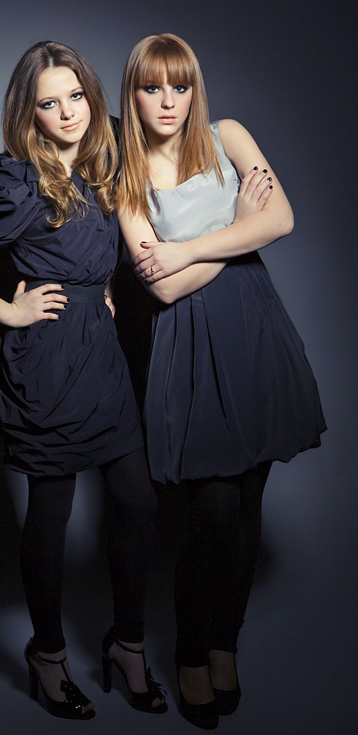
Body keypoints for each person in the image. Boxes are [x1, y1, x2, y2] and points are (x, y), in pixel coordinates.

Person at [0, 40, 167, 720]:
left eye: (76, 96)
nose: (68, 113)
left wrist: (102, 287)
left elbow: (100, 247)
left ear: (90, 96)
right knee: (52, 514)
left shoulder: (103, 167)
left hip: (101, 356)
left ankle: (127, 643)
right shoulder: (16, 183)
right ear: (28, 113)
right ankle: (48, 654)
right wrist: (10, 311)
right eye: (49, 103)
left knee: (137, 499)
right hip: (46, 363)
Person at [117, 33, 326, 729]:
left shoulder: (228, 135)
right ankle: (189, 653)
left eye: (179, 86)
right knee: (209, 513)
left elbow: (282, 219)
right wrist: (239, 228)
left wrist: (188, 249)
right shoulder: (126, 174)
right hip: (189, 344)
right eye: (152, 87)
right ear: (134, 94)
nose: (167, 101)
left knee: (247, 505)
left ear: (194, 89)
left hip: (255, 328)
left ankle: (224, 645)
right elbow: (162, 289)